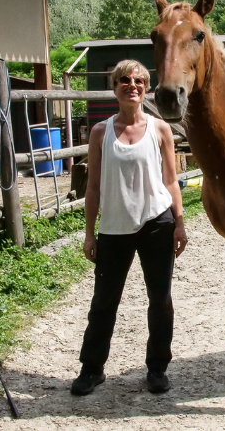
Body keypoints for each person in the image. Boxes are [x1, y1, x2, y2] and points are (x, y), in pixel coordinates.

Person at [70, 59, 188, 396]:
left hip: (156, 225)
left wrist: (180, 224)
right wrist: (89, 233)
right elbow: (92, 187)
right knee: (104, 301)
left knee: (160, 299)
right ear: (114, 88)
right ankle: (92, 369)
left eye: (138, 80)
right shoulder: (100, 132)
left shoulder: (160, 129)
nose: (131, 85)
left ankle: (157, 369)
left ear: (146, 88)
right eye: (124, 80)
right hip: (114, 228)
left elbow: (171, 181)